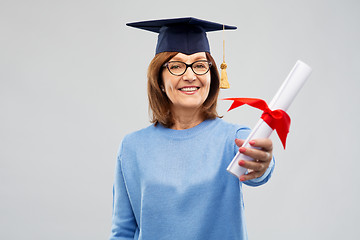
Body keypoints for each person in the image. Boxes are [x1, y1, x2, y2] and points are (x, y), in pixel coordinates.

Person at [109, 17, 275, 240]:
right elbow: (123, 231)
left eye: (199, 65)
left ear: (211, 75)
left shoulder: (233, 139)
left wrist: (262, 163)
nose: (190, 75)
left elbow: (257, 167)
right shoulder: (132, 147)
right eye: (176, 66)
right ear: (159, 79)